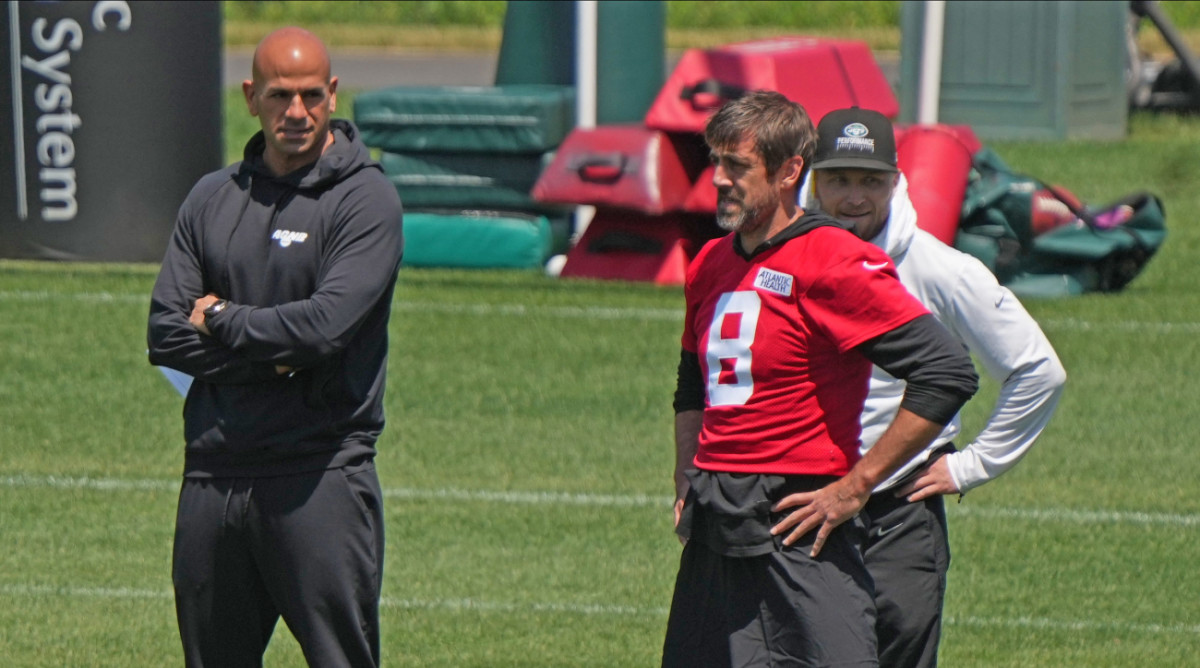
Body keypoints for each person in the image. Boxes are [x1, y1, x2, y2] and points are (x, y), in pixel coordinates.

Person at [663, 90, 979, 668]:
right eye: (716, 162)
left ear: (789, 172)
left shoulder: (832, 258)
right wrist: (686, 474)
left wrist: (855, 486)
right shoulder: (709, 261)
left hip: (799, 523)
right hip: (717, 526)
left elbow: (945, 371)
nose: (720, 180)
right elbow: (691, 380)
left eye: (737, 166)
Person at [146, 27, 403, 667]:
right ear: (250, 97)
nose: (297, 112)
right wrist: (278, 356)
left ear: (334, 93)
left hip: (318, 475)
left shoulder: (365, 200)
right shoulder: (211, 196)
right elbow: (165, 331)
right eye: (279, 95)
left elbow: (324, 328)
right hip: (213, 472)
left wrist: (225, 318)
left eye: (312, 95)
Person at [804, 107, 1067, 668]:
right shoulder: (783, 259)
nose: (854, 197)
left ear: (896, 182)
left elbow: (1036, 369)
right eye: (839, 180)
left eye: (870, 181)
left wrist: (971, 466)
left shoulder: (942, 269)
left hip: (898, 515)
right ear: (812, 181)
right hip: (804, 504)